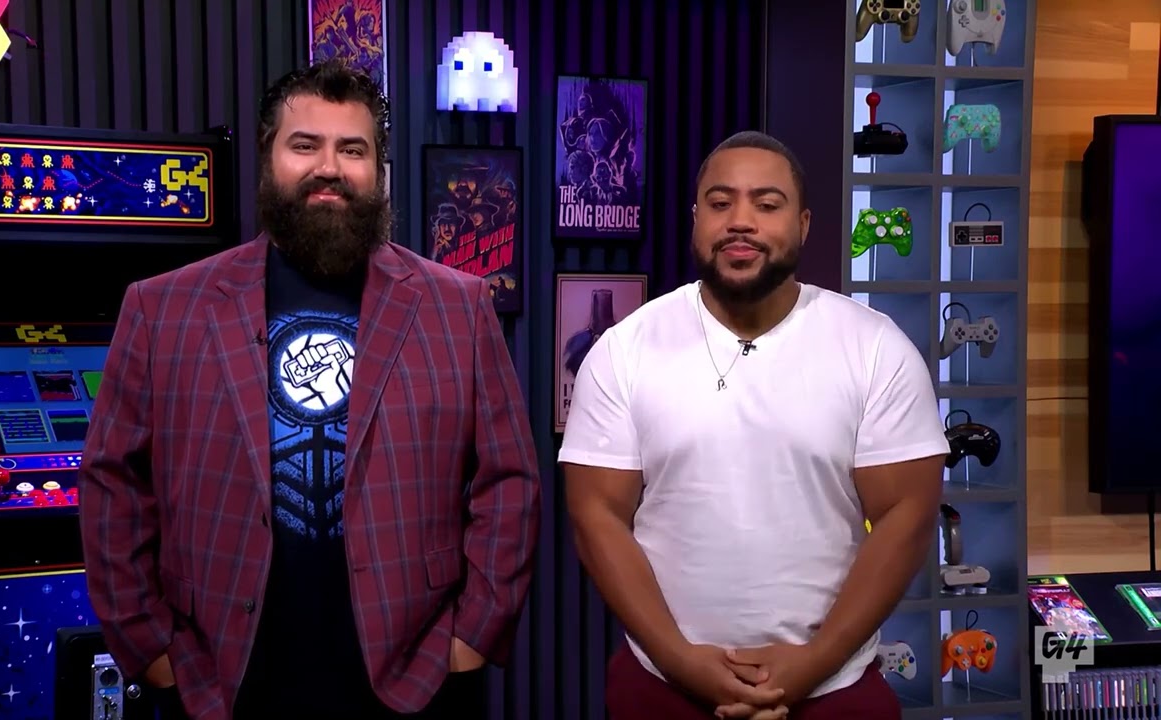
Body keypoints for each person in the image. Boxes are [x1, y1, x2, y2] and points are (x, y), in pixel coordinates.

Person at [78, 59, 542, 720]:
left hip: (414, 676)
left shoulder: (457, 306)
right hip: (219, 676)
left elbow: (510, 481)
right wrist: (146, 645)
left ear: (378, 169)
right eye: (305, 145)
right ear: (269, 159)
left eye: (352, 149)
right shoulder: (163, 308)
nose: (330, 167)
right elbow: (112, 484)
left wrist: (475, 633)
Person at [559, 130, 948, 720]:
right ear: (696, 219)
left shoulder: (875, 349)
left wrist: (814, 662)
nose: (741, 221)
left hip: (832, 689)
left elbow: (907, 516)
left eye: (767, 204)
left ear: (804, 224)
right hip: (663, 685)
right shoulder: (622, 351)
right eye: (720, 203)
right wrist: (681, 660)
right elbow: (596, 518)